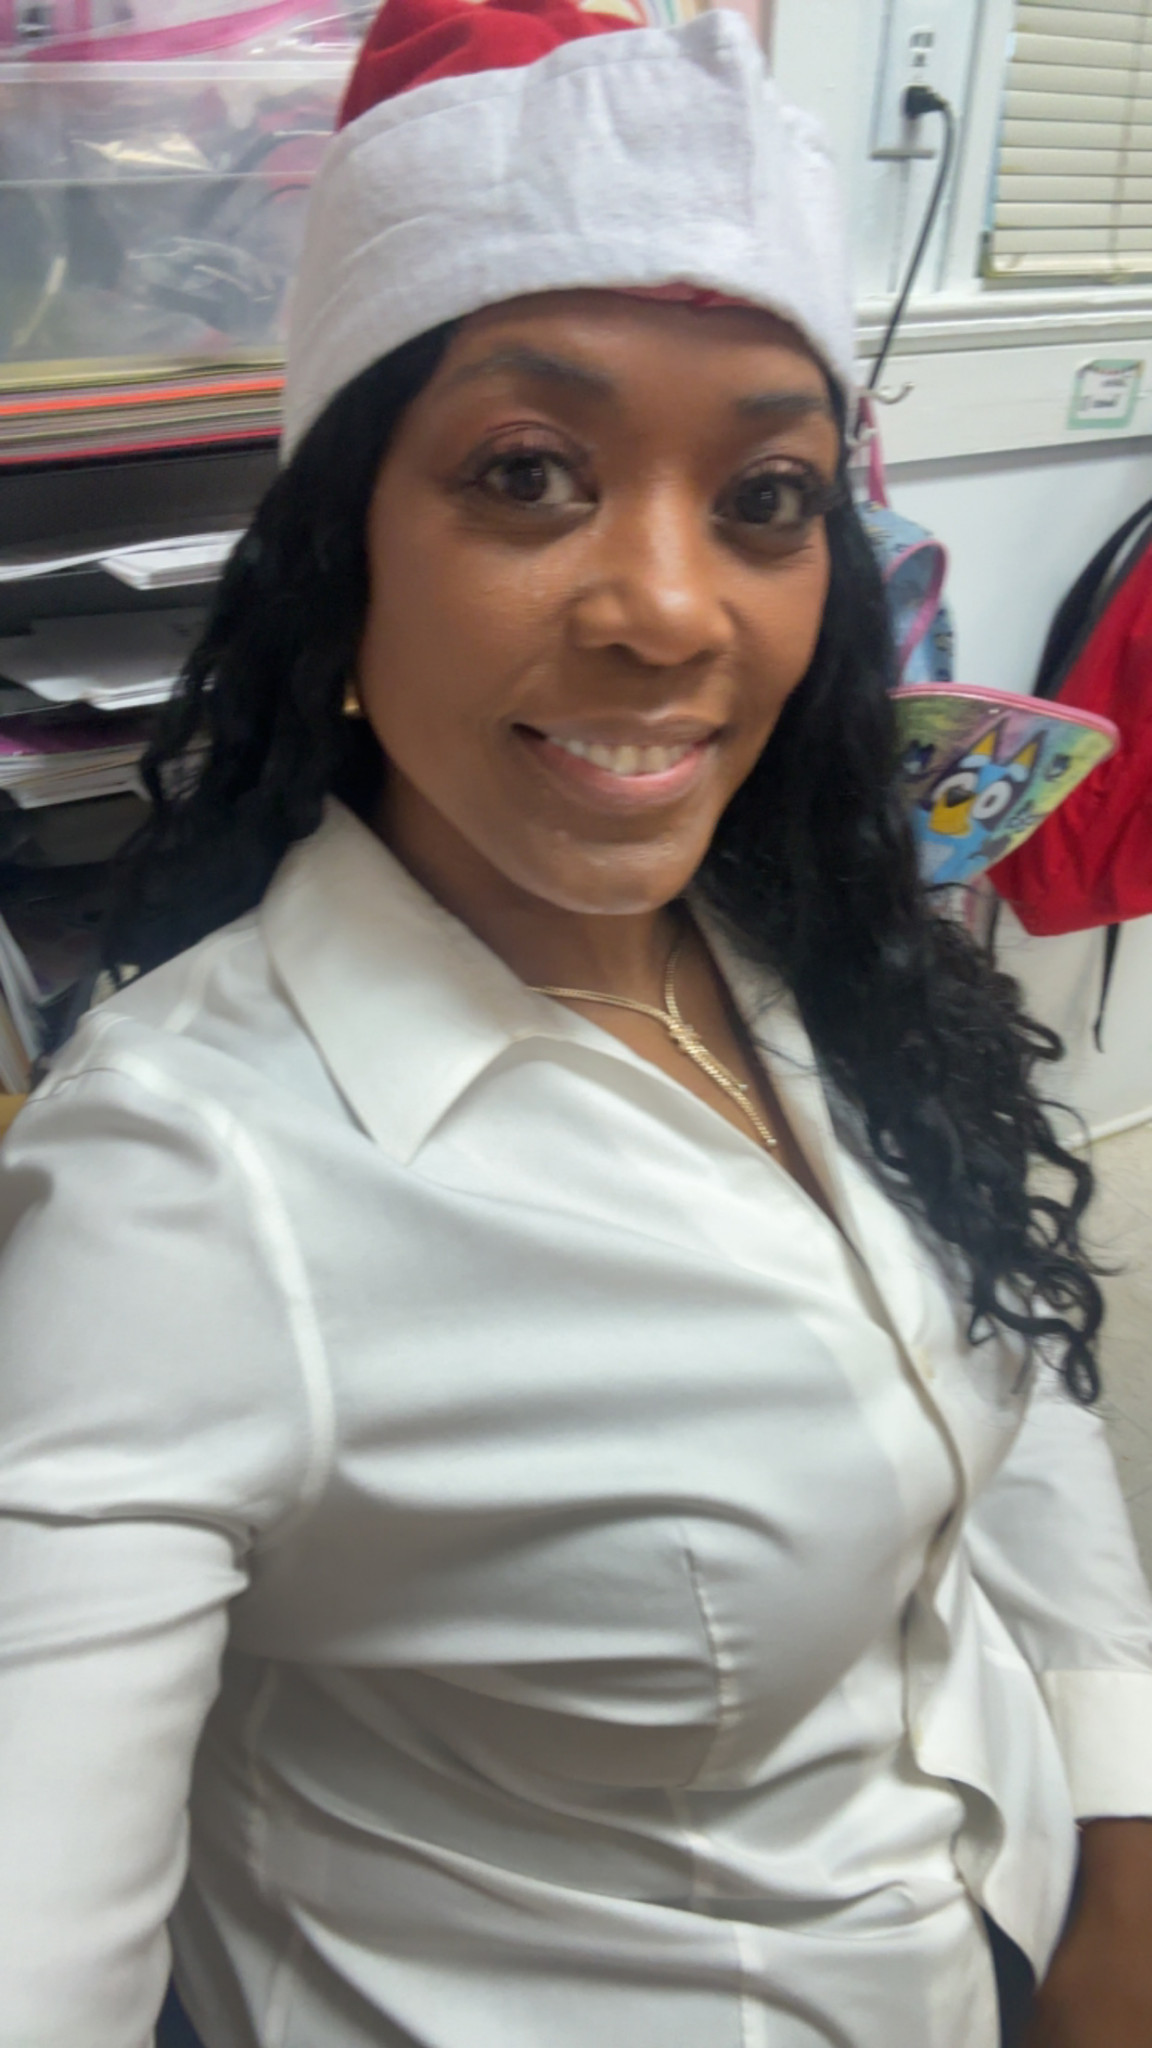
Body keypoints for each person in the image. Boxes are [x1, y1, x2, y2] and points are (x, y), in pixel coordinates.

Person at [1, 2, 1151, 2044]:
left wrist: (1125, 1876)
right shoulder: (186, 1188)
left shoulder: (821, 956)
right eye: (529, 474)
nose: (673, 609)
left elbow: (1008, 1372)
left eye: (767, 496)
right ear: (342, 552)